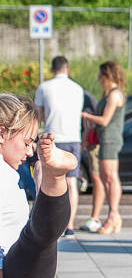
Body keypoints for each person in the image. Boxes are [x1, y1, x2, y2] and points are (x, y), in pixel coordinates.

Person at [0, 93, 77, 278]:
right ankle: (54, 179)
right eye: (26, 142)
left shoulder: (9, 170)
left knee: (41, 238)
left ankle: (52, 180)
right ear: (2, 134)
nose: (30, 150)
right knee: (39, 238)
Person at [34, 56, 84, 237]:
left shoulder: (44, 87)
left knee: (42, 174)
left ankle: (44, 218)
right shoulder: (78, 89)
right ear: (67, 69)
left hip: (51, 137)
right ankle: (69, 225)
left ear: (52, 69)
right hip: (73, 138)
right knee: (71, 182)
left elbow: (39, 114)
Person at [80, 61, 126, 235]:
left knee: (110, 177)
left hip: (110, 139)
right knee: (107, 177)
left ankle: (114, 215)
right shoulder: (110, 94)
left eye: (101, 75)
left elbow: (105, 120)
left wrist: (85, 115)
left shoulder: (114, 95)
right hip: (105, 138)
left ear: (108, 75)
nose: (99, 79)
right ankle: (114, 215)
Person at [79, 89, 102, 233]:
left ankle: (95, 217)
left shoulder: (85, 98)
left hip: (92, 142)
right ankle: (95, 217)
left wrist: (83, 145)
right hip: (88, 141)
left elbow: (89, 123)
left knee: (96, 178)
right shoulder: (86, 96)